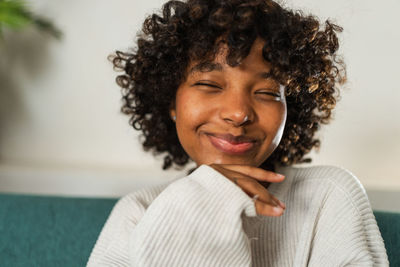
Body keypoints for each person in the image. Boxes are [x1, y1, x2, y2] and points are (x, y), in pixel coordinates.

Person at [87, 0, 389, 266]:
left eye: (268, 92)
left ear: (291, 108)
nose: (238, 112)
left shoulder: (329, 198)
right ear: (171, 101)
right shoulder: (138, 213)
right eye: (209, 85)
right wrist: (202, 199)